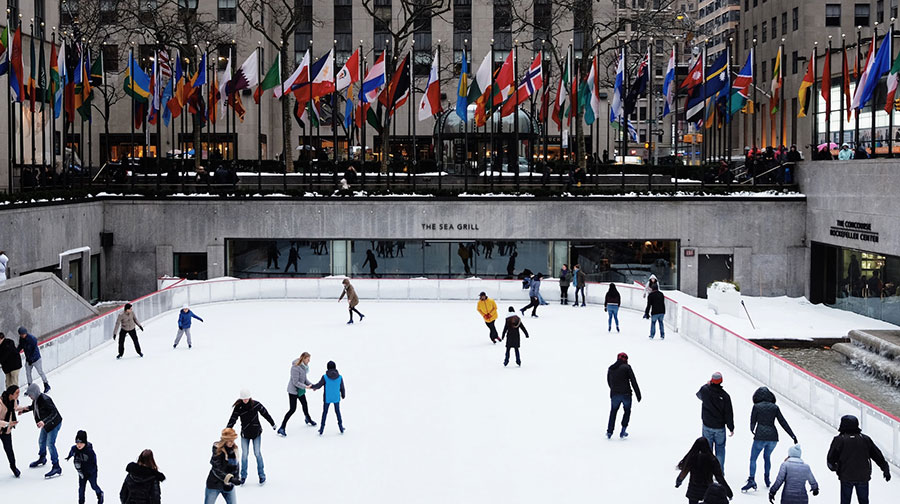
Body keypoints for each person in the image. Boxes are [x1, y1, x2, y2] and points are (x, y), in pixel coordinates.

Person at [742, 386, 798, 491]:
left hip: (760, 436)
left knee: (753, 458)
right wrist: (792, 435)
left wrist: (753, 430)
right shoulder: (775, 407)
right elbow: (783, 422)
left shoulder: (757, 406)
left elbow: (752, 422)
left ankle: (751, 479)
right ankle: (767, 479)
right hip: (773, 437)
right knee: (767, 457)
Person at [826, 414, 891, 504]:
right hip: (863, 476)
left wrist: (836, 468)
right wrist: (885, 468)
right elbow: (877, 455)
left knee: (845, 501)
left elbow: (831, 459)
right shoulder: (865, 439)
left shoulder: (839, 440)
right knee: (864, 501)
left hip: (846, 476)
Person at [226, 389, 276, 485]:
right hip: (245, 434)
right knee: (244, 455)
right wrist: (227, 430)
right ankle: (243, 476)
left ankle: (262, 475)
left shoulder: (256, 404)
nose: (245, 400)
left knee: (257, 453)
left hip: (256, 433)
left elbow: (265, 413)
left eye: (247, 398)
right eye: (243, 399)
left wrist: (272, 423)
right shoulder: (239, 407)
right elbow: (233, 419)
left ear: (250, 397)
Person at [18, 382, 63, 478]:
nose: (29, 396)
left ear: (34, 393)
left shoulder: (45, 399)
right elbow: (33, 407)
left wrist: (44, 421)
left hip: (54, 424)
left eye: (30, 394)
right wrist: (23, 410)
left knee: (50, 444)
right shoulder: (36, 399)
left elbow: (54, 412)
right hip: (46, 424)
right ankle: (42, 458)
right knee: (41, 441)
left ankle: (56, 466)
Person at [676, 437, 734, 504]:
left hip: (693, 489)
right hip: (706, 489)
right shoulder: (712, 459)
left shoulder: (692, 457)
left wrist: (679, 481)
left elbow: (684, 472)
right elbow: (719, 477)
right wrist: (728, 492)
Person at [696, 372, 734, 473]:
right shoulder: (725, 396)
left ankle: (707, 471)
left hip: (707, 425)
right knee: (720, 449)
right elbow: (728, 413)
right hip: (719, 428)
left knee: (707, 450)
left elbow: (698, 395)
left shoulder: (705, 390)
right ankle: (719, 471)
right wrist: (731, 427)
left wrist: (706, 385)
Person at [278, 352, 316, 437]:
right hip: (293, 391)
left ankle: (308, 419)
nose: (309, 361)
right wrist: (306, 387)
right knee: (292, 409)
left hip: (300, 390)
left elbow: (305, 379)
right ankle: (282, 427)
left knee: (305, 405)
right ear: (303, 359)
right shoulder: (295, 367)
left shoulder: (304, 367)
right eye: (308, 359)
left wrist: (312, 385)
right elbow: (295, 382)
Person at [606, 352, 641, 439]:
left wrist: (613, 390)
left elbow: (609, 381)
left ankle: (609, 432)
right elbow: (633, 381)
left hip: (615, 395)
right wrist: (638, 394)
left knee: (613, 412)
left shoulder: (611, 368)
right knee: (627, 411)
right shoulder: (627, 367)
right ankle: (623, 430)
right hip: (626, 394)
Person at [66, 430, 103, 504]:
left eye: (81, 443)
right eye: (77, 443)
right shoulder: (74, 448)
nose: (79, 445)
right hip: (81, 472)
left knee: (93, 485)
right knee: (81, 489)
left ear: (85, 443)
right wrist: (68, 456)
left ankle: (100, 493)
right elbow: (72, 451)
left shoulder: (90, 452)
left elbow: (94, 464)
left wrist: (90, 472)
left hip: (91, 473)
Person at [205, 428, 241, 504]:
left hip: (228, 486)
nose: (232, 442)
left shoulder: (234, 449)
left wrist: (236, 477)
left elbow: (236, 465)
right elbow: (216, 469)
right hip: (214, 485)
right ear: (225, 440)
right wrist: (230, 479)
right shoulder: (217, 450)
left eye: (233, 440)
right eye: (230, 440)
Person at [311, 361, 345, 435]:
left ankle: (321, 429)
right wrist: (343, 395)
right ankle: (341, 427)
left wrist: (312, 386)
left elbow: (319, 385)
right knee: (337, 412)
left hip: (327, 398)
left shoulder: (325, 377)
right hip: (336, 397)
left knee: (325, 412)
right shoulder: (340, 377)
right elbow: (342, 387)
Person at [17, 327, 50, 392]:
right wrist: (16, 352)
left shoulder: (32, 339)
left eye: (23, 334)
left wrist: (31, 359)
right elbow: (20, 346)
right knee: (28, 373)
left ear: (26, 333)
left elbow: (34, 350)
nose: (22, 336)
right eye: (21, 334)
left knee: (40, 372)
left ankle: (46, 384)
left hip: (36, 359)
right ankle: (30, 387)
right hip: (28, 359)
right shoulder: (21, 339)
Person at [1, 385, 21, 477]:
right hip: (3, 426)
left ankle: (13, 467)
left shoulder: (13, 401)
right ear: (11, 394)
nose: (18, 395)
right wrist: (8, 423)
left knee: (9, 449)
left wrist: (26, 409)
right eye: (16, 393)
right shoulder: (0, 403)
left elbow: (15, 408)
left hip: (6, 431)